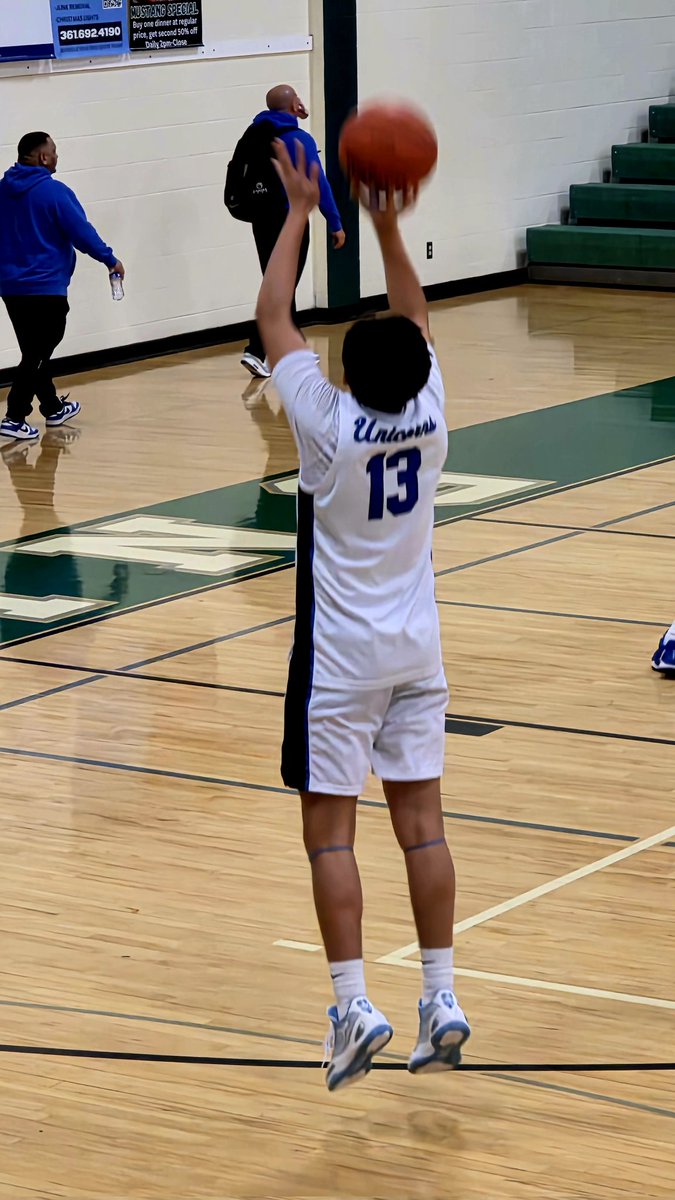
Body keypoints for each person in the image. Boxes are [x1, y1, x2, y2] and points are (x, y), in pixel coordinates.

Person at [256, 141, 470, 1092]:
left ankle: (353, 1005)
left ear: (341, 372)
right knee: (421, 829)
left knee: (330, 838)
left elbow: (273, 319)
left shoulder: (328, 427)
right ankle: (442, 993)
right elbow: (413, 318)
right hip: (417, 655)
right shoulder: (429, 410)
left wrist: (300, 211)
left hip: (340, 663)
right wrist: (385, 220)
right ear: (417, 364)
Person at [0, 132, 124, 443]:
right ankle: (14, 415)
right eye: (54, 151)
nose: (57, 156)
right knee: (40, 350)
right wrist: (109, 259)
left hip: (10, 286)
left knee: (34, 350)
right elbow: (81, 233)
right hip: (45, 287)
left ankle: (53, 407)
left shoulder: (3, 190)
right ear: (43, 157)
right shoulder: (54, 192)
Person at [240, 85, 345, 381]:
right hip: (290, 221)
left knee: (279, 283)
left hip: (262, 221)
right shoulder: (299, 139)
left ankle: (291, 349)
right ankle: (256, 349)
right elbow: (319, 184)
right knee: (283, 287)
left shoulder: (256, 135)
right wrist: (334, 222)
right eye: (297, 97)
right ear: (293, 105)